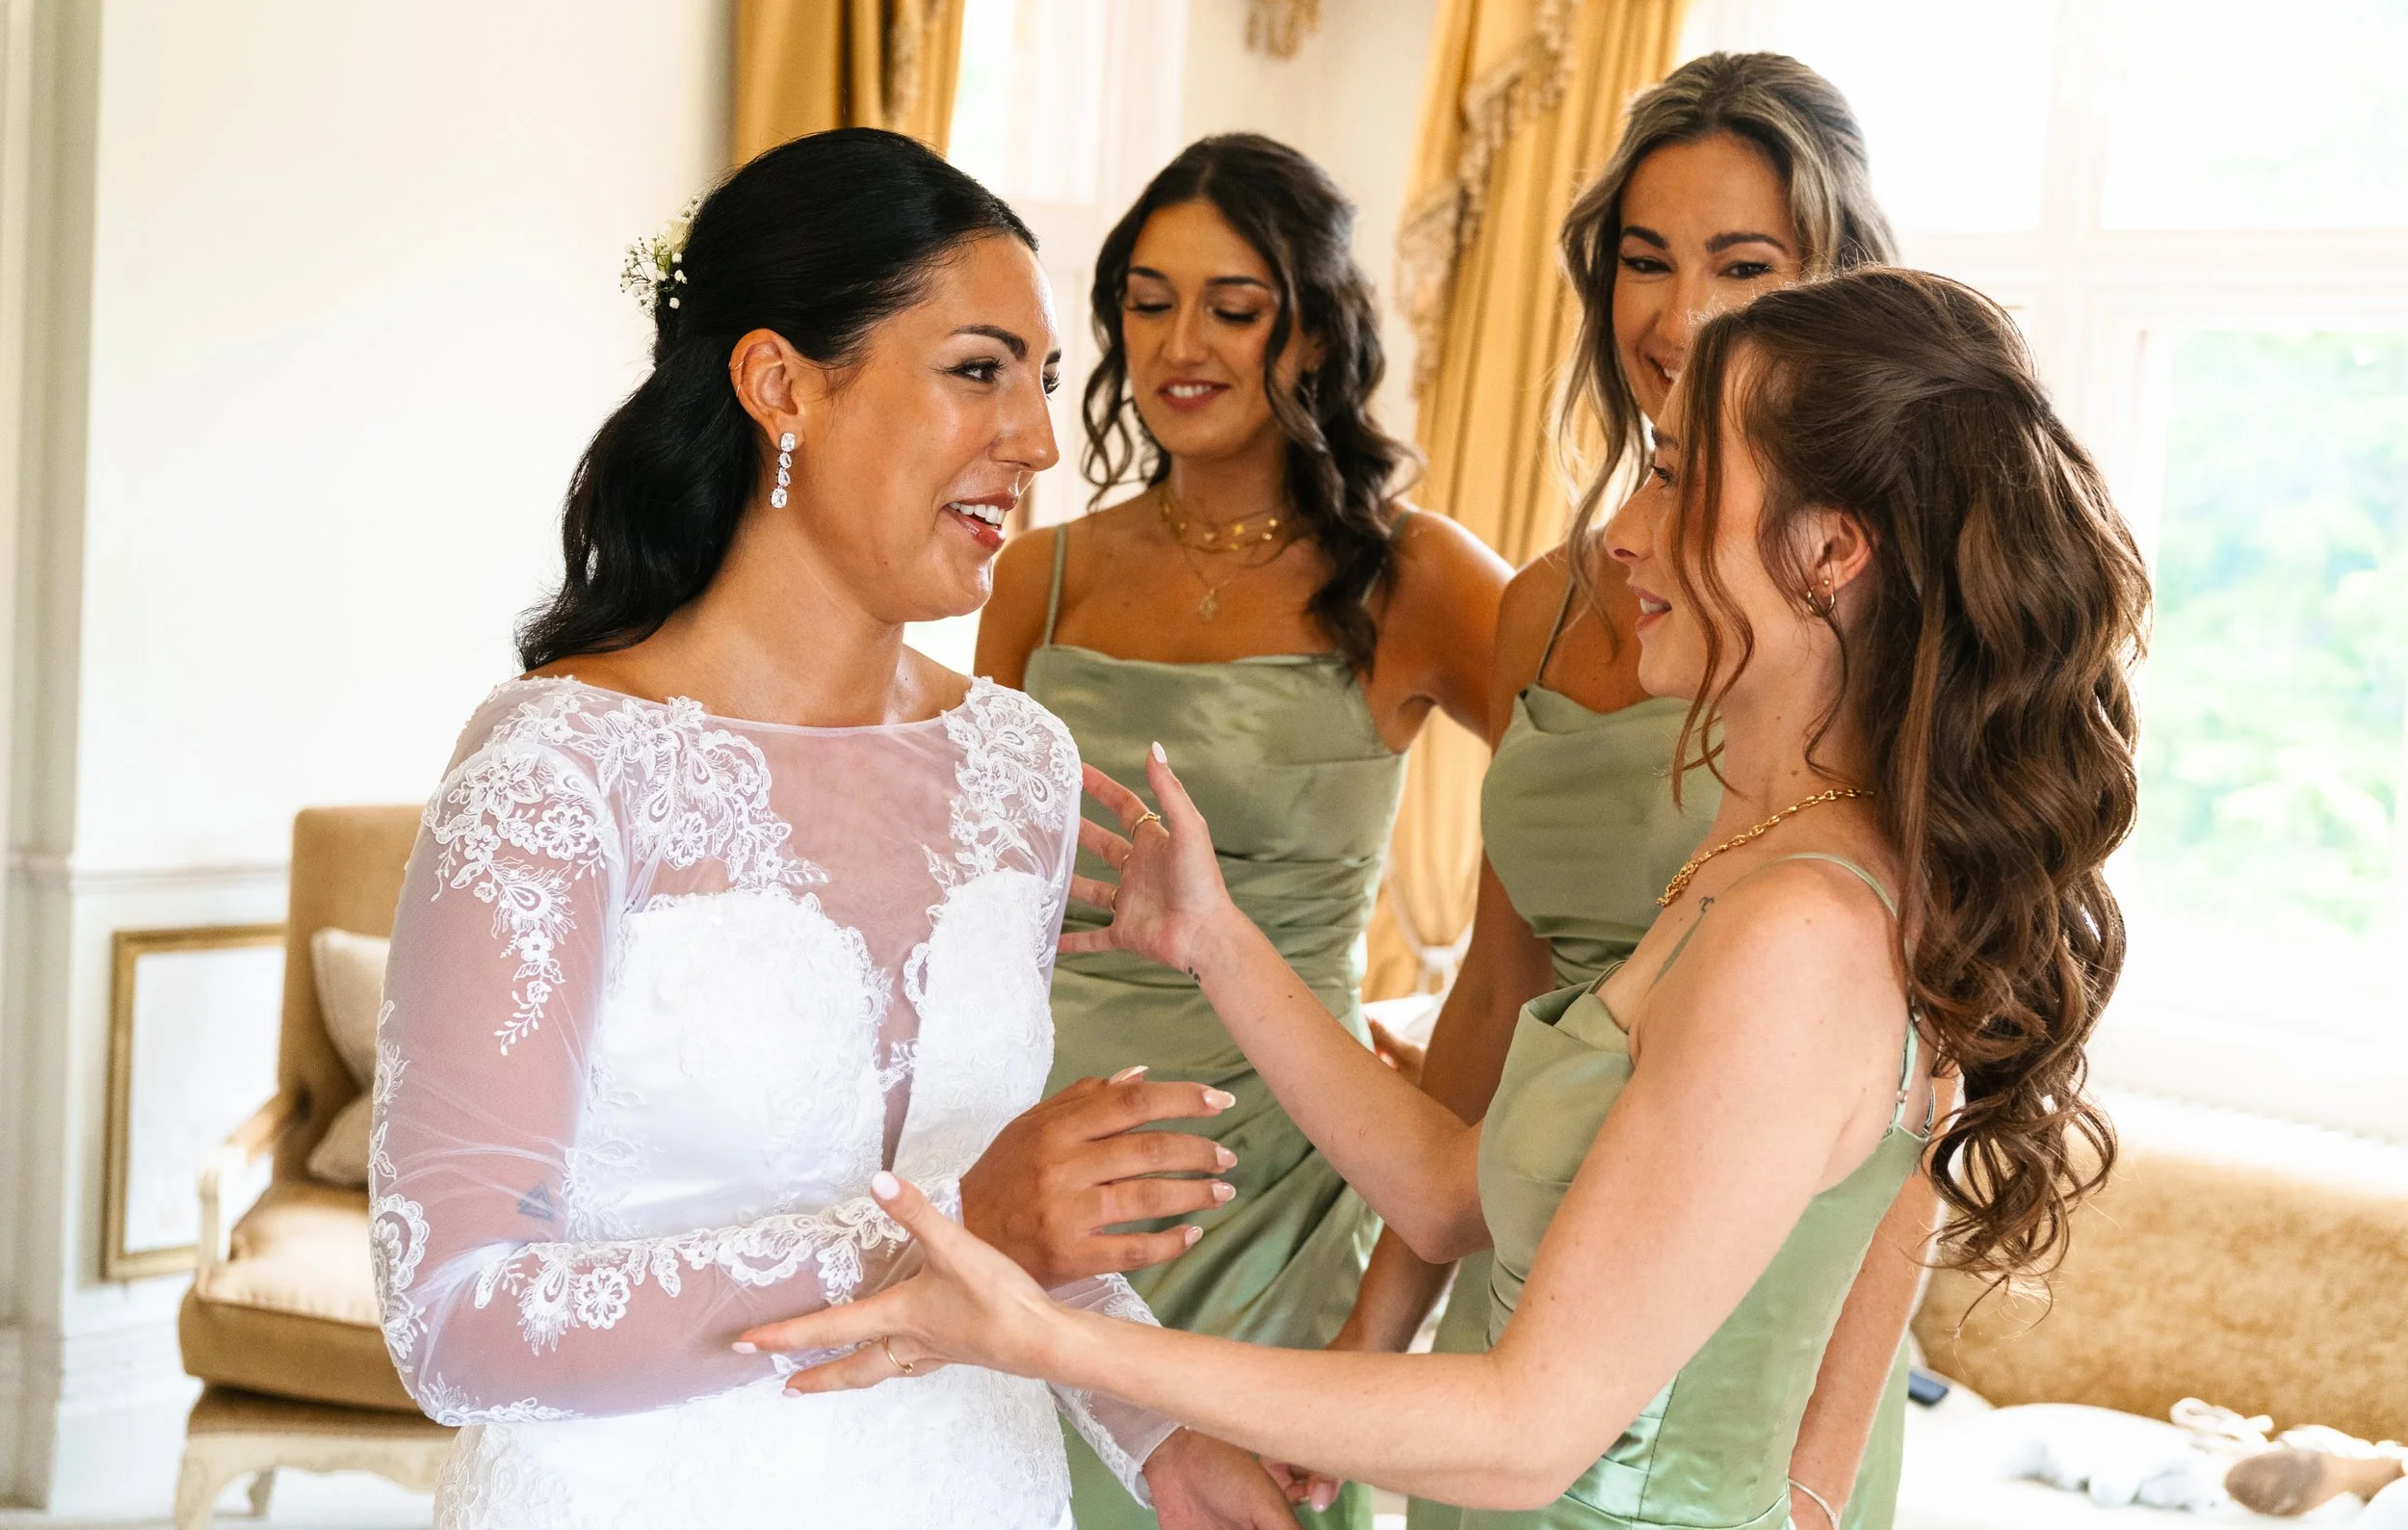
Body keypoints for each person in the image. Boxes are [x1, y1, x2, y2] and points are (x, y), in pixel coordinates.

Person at [748, 265, 2154, 1530]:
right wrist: (1217, 941)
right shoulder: (1756, 853)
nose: (1623, 535)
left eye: (1673, 477)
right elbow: (1443, 1191)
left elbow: (1532, 1428)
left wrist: (1050, 1337)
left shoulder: (1805, 930)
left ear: (1830, 551)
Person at [369, 128, 1299, 1529]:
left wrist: (1163, 1426)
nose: (1039, 439)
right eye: (978, 369)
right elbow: (454, 1319)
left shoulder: (1018, 768)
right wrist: (956, 1229)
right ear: (780, 384)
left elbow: (1004, 1223)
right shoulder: (559, 772)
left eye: (1043, 383)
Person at [1330, 52, 1925, 1530]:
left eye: (1743, 263)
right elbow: (1491, 999)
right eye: (1644, 262)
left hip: (1750, 1341)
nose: (1678, 314)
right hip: (1534, 1266)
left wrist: (1816, 1475)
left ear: (1829, 281)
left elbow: (1936, 1105)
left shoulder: (1881, 620)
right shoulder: (1547, 604)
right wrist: (1373, 1340)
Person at [977, 133, 1505, 1530]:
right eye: (1148, 301)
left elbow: (1599, 808)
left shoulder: (1420, 578)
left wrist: (1484, 1051)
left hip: (1275, 1177)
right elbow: (968, 892)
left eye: (1233, 303)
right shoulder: (1043, 576)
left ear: (1314, 328)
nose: (1179, 342)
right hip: (1050, 1152)